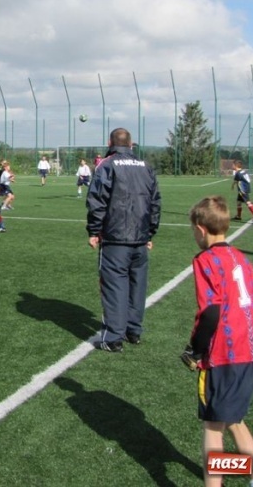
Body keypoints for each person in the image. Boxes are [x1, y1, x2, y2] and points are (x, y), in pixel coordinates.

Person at [183, 195, 253, 487]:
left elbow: (211, 311)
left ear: (201, 229)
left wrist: (194, 350)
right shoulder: (242, 258)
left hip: (224, 353)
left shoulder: (205, 260)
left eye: (193, 230)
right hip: (251, 349)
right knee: (233, 419)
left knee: (212, 425)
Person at [86, 128, 161, 352]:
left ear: (110, 142)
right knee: (137, 286)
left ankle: (113, 337)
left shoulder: (107, 165)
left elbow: (97, 200)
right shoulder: (146, 167)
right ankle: (133, 331)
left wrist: (93, 231)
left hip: (115, 238)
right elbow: (155, 203)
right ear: (131, 144)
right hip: (139, 238)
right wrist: (150, 233)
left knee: (114, 286)